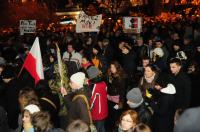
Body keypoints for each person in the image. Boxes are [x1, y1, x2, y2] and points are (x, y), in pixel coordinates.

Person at [106, 61, 126, 131]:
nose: (112, 69)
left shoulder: (120, 78)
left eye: (114, 67)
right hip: (109, 98)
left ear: (117, 68)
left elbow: (122, 91)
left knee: (115, 116)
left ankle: (114, 129)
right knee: (109, 115)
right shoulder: (110, 75)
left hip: (116, 100)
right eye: (111, 67)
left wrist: (120, 103)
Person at [86, 66, 108, 132]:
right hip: (104, 110)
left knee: (97, 129)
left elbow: (91, 101)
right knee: (102, 127)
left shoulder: (95, 86)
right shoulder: (103, 83)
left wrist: (87, 109)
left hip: (97, 113)